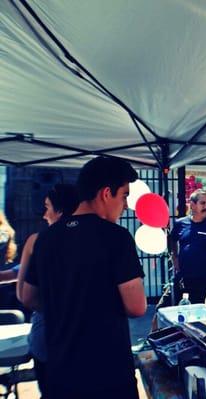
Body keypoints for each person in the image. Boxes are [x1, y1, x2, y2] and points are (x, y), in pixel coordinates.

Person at [21, 156, 147, 399]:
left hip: (59, 372)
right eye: (124, 196)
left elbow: (28, 297)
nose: (125, 205)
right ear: (106, 193)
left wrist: (66, 305)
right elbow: (137, 307)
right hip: (108, 373)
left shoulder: (46, 238)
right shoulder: (116, 238)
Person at [15, 184, 79, 398]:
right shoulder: (93, 239)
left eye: (47, 207)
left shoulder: (37, 241)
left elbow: (24, 295)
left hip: (48, 333)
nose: (44, 215)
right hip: (85, 334)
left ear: (60, 210)